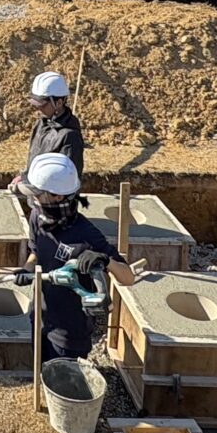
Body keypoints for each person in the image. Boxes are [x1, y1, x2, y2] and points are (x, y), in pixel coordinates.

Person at [14, 152, 143, 362]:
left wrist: (105, 260)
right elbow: (36, 252)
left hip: (69, 335)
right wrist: (27, 270)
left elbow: (128, 277)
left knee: (64, 380)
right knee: (41, 373)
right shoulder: (38, 217)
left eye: (38, 193)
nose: (33, 198)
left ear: (58, 196)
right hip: (40, 318)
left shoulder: (85, 233)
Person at [27, 71, 85, 177]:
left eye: (42, 105)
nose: (38, 108)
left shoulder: (70, 136)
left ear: (59, 103)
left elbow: (67, 178)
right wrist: (24, 177)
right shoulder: (41, 124)